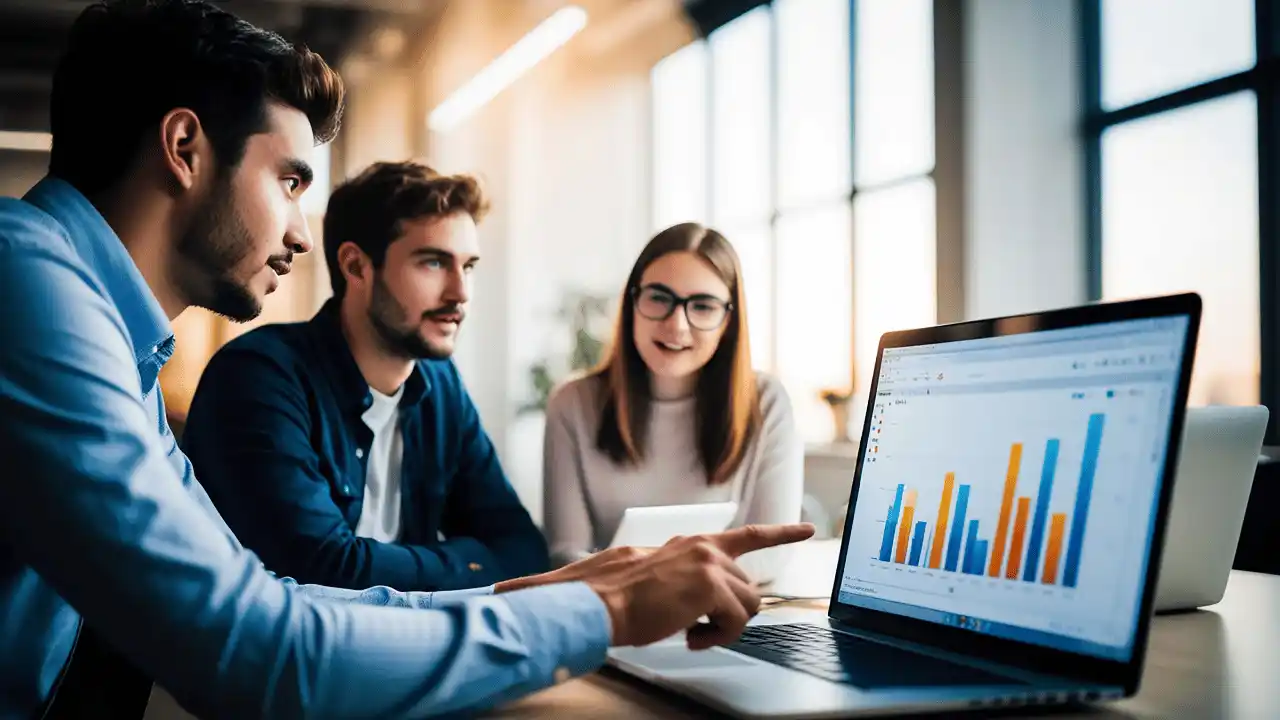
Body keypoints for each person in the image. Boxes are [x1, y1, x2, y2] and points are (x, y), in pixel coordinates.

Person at [0, 2, 814, 718]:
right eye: (289, 182)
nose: (295, 232)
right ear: (184, 147)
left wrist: (557, 589)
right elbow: (257, 651)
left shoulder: (111, 334)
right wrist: (603, 610)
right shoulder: (29, 288)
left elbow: (271, 597)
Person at [180, 161, 549, 592]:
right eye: (433, 263)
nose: (460, 293)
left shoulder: (442, 385)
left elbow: (523, 550)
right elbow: (319, 568)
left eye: (467, 267)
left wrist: (378, 566)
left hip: (404, 647)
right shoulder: (258, 376)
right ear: (356, 267)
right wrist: (471, 563)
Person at [542, 223, 805, 573]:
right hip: (613, 613)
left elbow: (771, 554)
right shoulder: (571, 404)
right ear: (633, 302)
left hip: (725, 612)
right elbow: (565, 555)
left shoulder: (767, 403)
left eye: (703, 306)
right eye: (659, 298)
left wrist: (660, 580)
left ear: (729, 320)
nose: (677, 325)